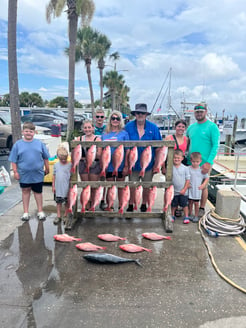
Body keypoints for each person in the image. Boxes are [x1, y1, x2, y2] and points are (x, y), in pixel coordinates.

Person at [8, 122, 50, 221]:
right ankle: (26, 212)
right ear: (23, 132)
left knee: (38, 192)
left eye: (31, 131)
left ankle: (40, 211)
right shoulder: (17, 145)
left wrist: (47, 168)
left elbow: (45, 157)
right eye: (26, 131)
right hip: (23, 174)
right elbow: (13, 160)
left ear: (34, 132)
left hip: (38, 174)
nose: (28, 133)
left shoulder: (39, 144)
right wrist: (15, 171)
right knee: (25, 191)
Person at [125, 103, 162, 212]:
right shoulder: (128, 127)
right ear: (135, 114)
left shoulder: (153, 127)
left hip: (148, 164)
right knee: (132, 185)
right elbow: (125, 147)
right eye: (138, 113)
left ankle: (144, 204)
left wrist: (157, 165)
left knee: (147, 186)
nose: (140, 115)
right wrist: (126, 165)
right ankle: (131, 204)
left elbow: (158, 148)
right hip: (133, 163)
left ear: (146, 114)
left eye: (142, 113)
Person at [186, 103, 220, 217]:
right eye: (197, 112)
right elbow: (187, 143)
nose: (199, 114)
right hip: (190, 163)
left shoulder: (212, 127)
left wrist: (208, 163)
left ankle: (201, 207)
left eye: (201, 111)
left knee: (203, 186)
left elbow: (215, 146)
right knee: (189, 185)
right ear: (194, 113)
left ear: (205, 112)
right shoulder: (191, 127)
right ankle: (188, 206)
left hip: (204, 163)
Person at [101, 110, 130, 210]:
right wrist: (102, 166)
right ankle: (110, 206)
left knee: (120, 187)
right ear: (110, 120)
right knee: (110, 186)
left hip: (120, 165)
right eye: (113, 118)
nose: (115, 120)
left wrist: (126, 165)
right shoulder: (104, 134)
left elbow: (127, 151)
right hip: (108, 165)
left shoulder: (124, 134)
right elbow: (101, 150)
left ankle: (121, 206)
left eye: (117, 118)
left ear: (120, 120)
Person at [76, 120, 102, 209]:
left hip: (95, 164)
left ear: (93, 128)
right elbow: (75, 152)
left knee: (94, 187)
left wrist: (93, 153)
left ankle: (93, 205)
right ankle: (86, 204)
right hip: (83, 164)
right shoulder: (79, 139)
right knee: (85, 186)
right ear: (83, 129)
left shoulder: (97, 139)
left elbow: (100, 154)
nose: (87, 129)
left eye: (89, 127)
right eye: (85, 128)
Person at [52, 147, 72, 224]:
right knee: (58, 202)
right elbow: (54, 175)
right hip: (58, 187)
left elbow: (71, 176)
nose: (63, 160)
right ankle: (58, 216)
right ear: (58, 157)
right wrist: (53, 186)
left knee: (67, 203)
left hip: (66, 187)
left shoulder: (70, 165)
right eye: (61, 159)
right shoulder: (56, 165)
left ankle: (65, 215)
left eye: (65, 159)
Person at [188, 152, 209, 223]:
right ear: (191, 161)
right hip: (190, 189)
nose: (195, 163)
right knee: (190, 202)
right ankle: (190, 214)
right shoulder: (188, 169)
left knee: (196, 204)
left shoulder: (201, 170)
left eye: (197, 162)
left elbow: (207, 178)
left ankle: (196, 215)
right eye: (193, 162)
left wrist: (203, 185)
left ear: (200, 161)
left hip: (197, 190)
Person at [171, 149, 191, 224]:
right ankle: (172, 215)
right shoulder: (170, 167)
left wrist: (184, 189)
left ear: (182, 158)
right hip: (174, 191)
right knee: (173, 205)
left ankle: (186, 216)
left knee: (184, 205)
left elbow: (188, 180)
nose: (176, 159)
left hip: (183, 191)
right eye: (175, 158)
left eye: (178, 158)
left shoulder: (185, 168)